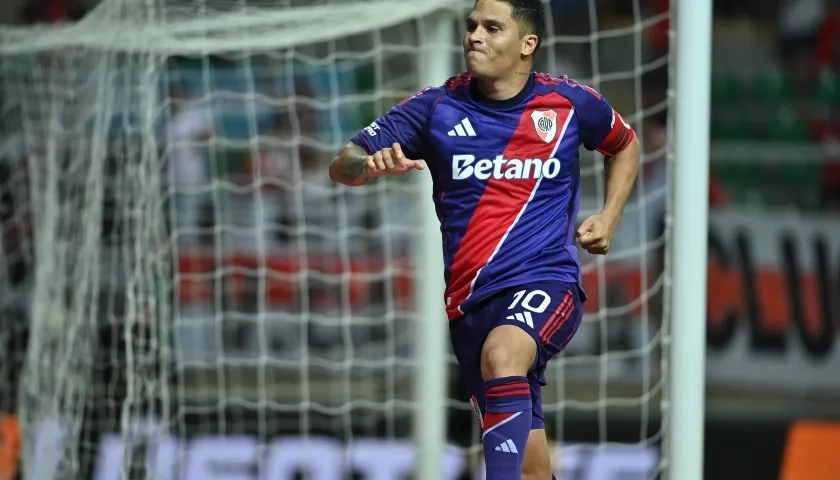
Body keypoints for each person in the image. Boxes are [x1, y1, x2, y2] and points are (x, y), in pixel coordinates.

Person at [329, 0, 640, 477]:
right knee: (532, 468)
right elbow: (344, 161)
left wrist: (610, 216)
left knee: (503, 354)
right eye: (471, 25)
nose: (475, 35)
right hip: (470, 305)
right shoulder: (436, 107)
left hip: (546, 282)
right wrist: (366, 166)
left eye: (492, 28)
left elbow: (624, 144)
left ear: (527, 44)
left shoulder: (569, 103)